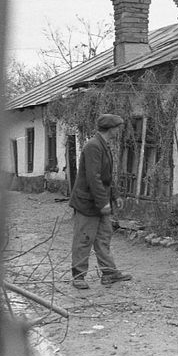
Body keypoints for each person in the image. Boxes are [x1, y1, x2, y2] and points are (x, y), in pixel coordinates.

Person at [68, 114, 132, 289]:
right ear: (111, 129)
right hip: (87, 203)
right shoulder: (93, 146)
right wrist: (104, 203)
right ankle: (79, 277)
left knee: (104, 237)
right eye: (117, 128)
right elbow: (93, 178)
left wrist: (115, 195)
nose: (119, 131)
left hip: (100, 201)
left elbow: (106, 177)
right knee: (84, 239)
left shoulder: (104, 145)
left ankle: (109, 273)